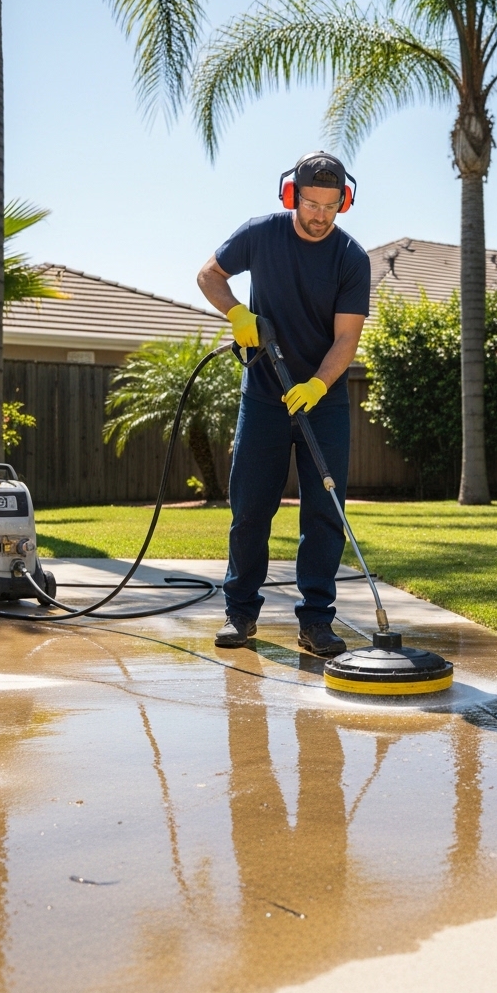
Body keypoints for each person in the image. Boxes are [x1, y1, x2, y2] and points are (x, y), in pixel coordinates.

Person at [197, 151, 371, 655]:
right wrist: (237, 315)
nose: (319, 215)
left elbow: (346, 340)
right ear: (292, 196)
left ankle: (316, 621)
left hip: (324, 401)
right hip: (265, 395)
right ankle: (240, 615)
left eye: (330, 205)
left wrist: (317, 385)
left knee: (324, 512)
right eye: (311, 203)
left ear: (345, 201)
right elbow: (209, 275)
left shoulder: (350, 258)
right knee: (251, 508)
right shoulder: (261, 234)